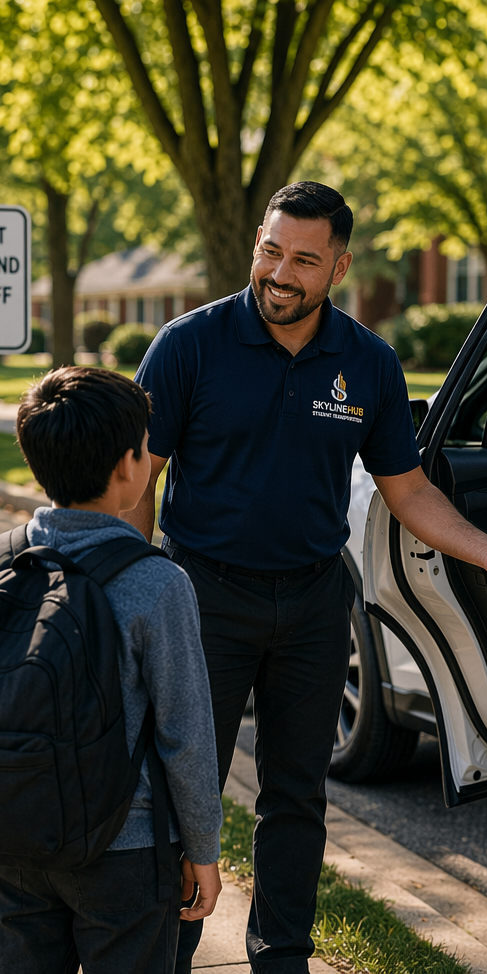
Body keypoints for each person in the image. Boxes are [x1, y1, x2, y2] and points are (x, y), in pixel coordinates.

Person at [127, 181, 487, 974]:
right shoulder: (188, 344)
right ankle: (168, 952)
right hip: (203, 597)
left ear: (339, 266)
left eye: (303, 259)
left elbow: (407, 489)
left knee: (296, 797)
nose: (279, 273)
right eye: (270, 250)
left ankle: (281, 956)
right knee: (182, 793)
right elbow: (139, 480)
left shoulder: (367, 362)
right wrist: (131, 591)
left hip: (312, 602)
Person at [0, 367, 222, 974]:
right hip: (125, 849)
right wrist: (202, 850)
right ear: (130, 466)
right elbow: (186, 734)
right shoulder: (155, 581)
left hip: (15, 834)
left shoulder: (5, 562)